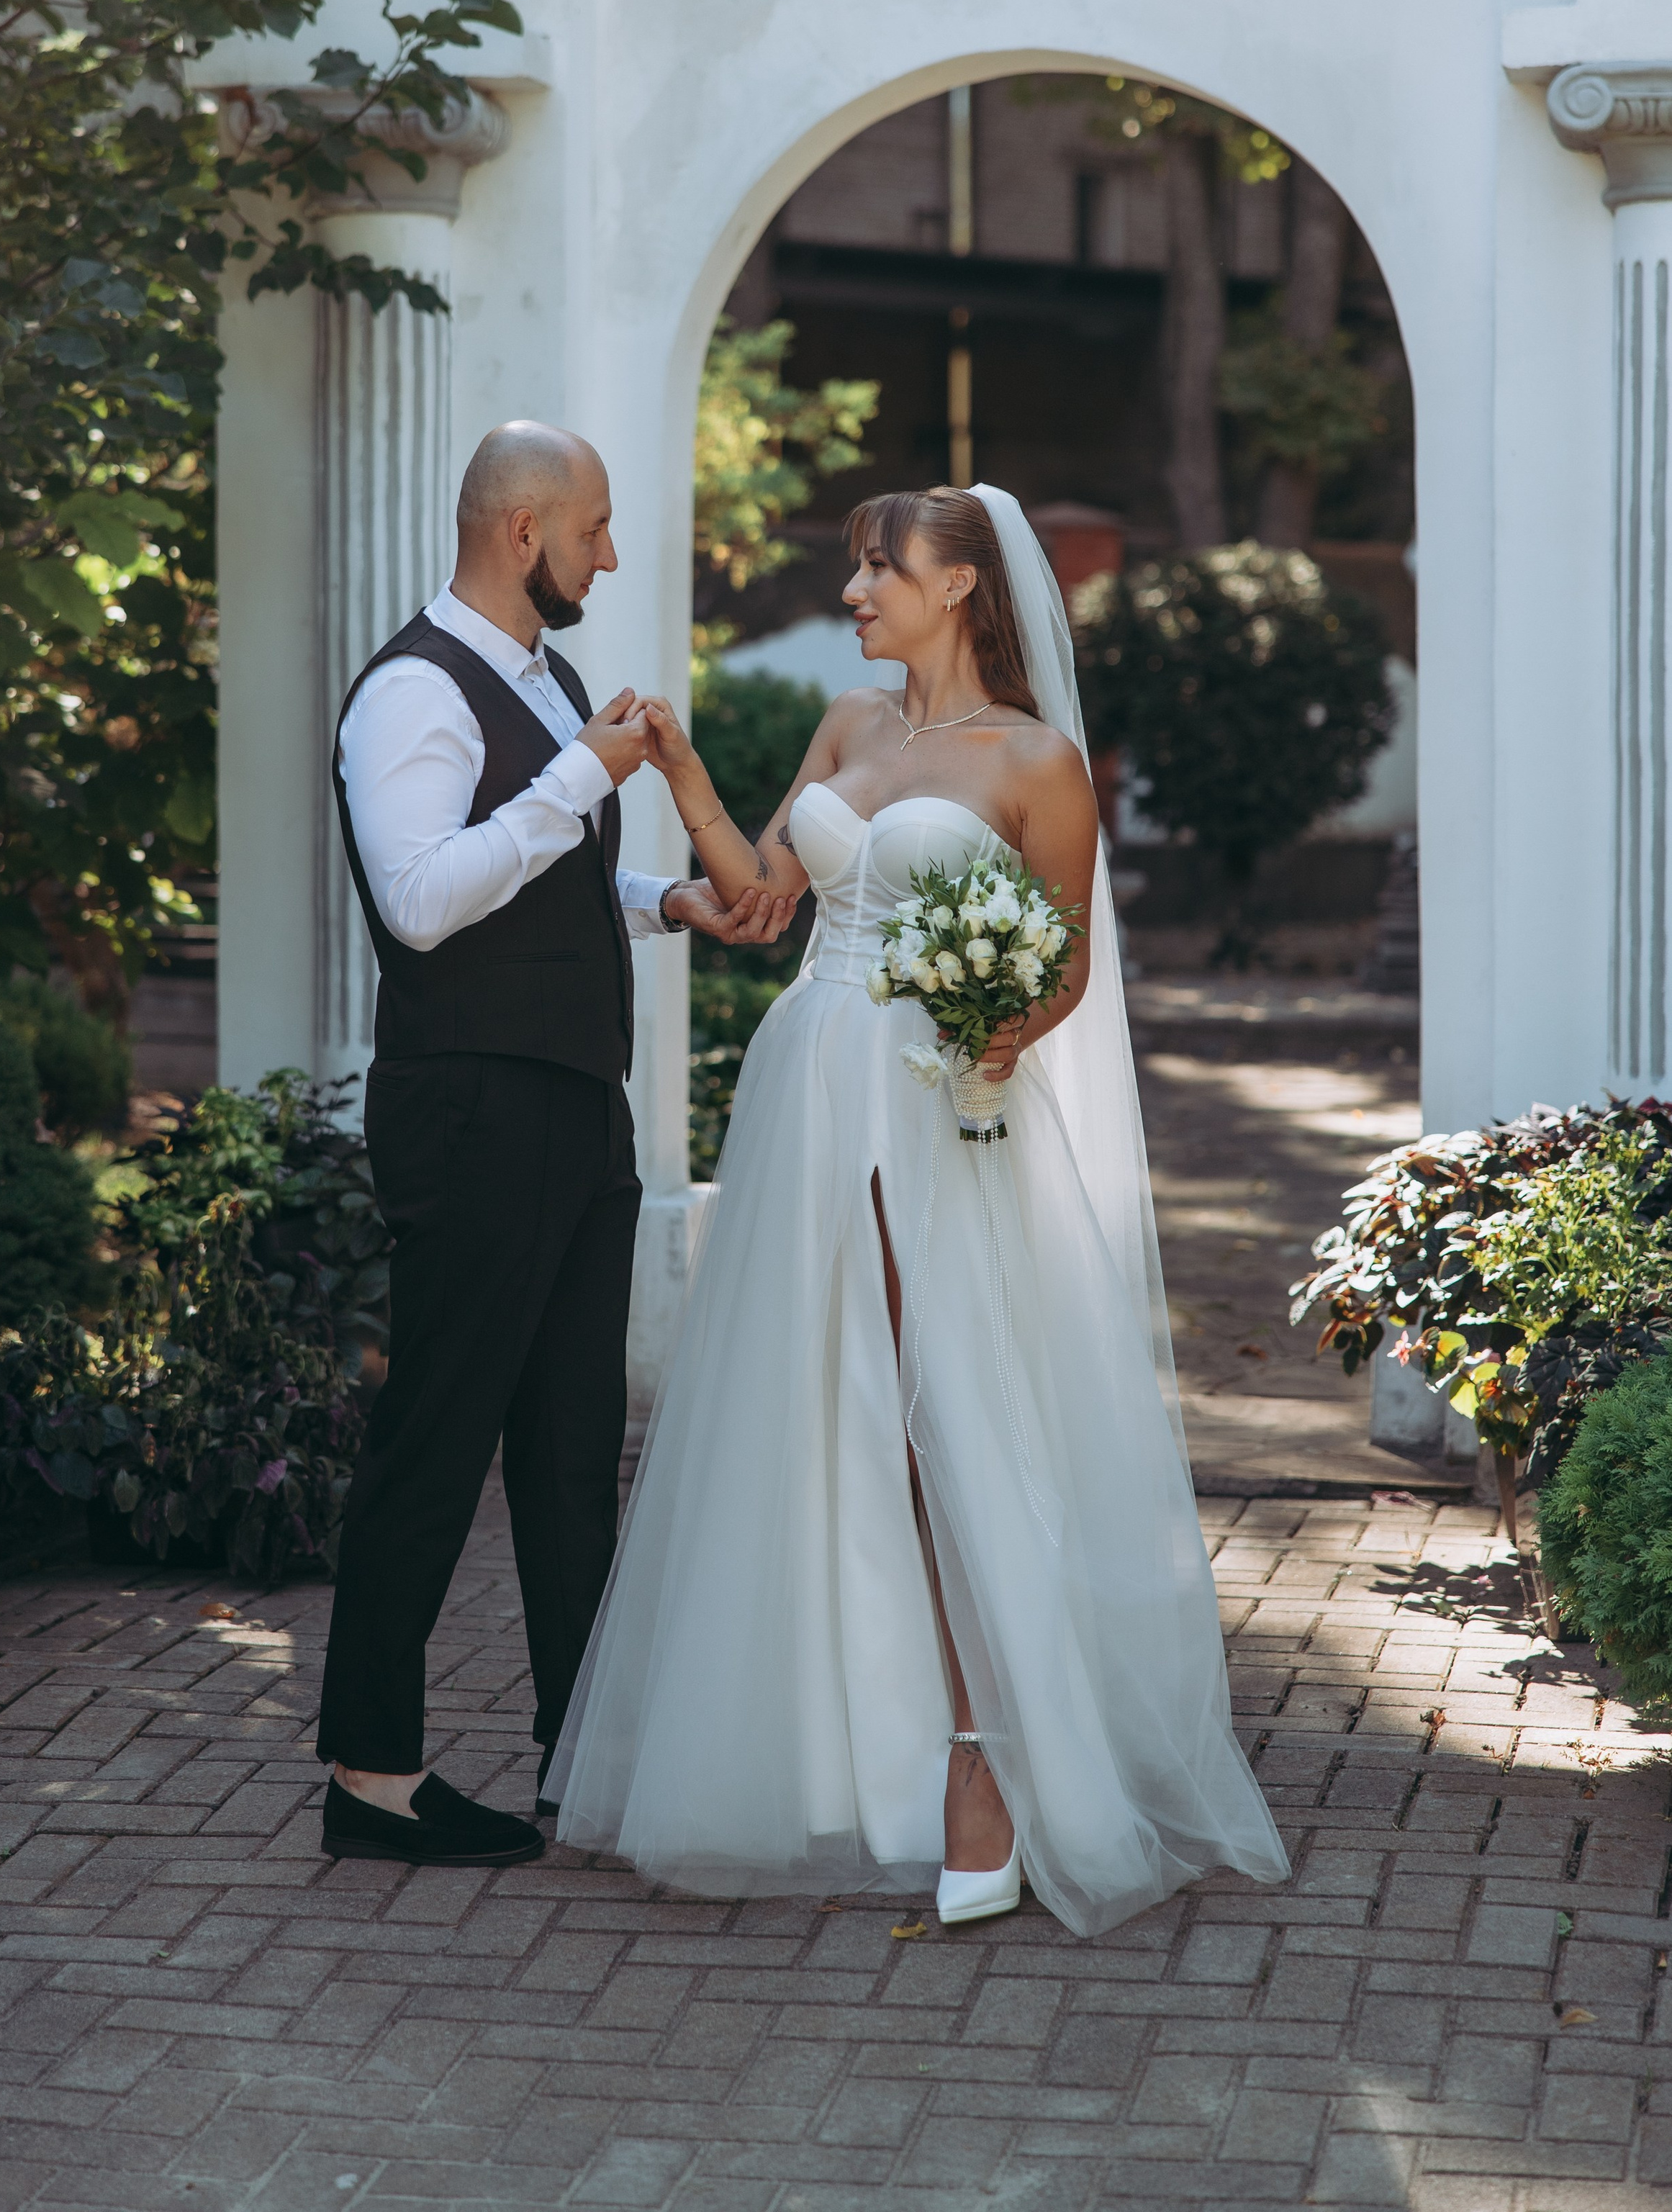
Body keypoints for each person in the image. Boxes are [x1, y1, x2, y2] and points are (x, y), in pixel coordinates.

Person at [546, 482, 1288, 1933]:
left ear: (957, 584)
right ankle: (823, 1752)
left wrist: (997, 1032)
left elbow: (1066, 968)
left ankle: (984, 1760)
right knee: (810, 1405)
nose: (853, 592)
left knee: (939, 1413)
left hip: (933, 1101)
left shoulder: (1038, 761)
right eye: (854, 568)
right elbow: (760, 901)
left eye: (877, 568)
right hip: (806, 1088)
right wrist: (679, 775)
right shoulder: (848, 723)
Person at [316, 422, 794, 1868]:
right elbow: (422, 901)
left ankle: (575, 1757)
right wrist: (583, 776)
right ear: (523, 532)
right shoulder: (414, 688)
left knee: (574, 1447)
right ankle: (370, 1777)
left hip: (576, 1107)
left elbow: (534, 881)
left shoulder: (548, 681)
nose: (611, 555)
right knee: (436, 1435)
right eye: (593, 528)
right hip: (472, 1112)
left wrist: (661, 902)